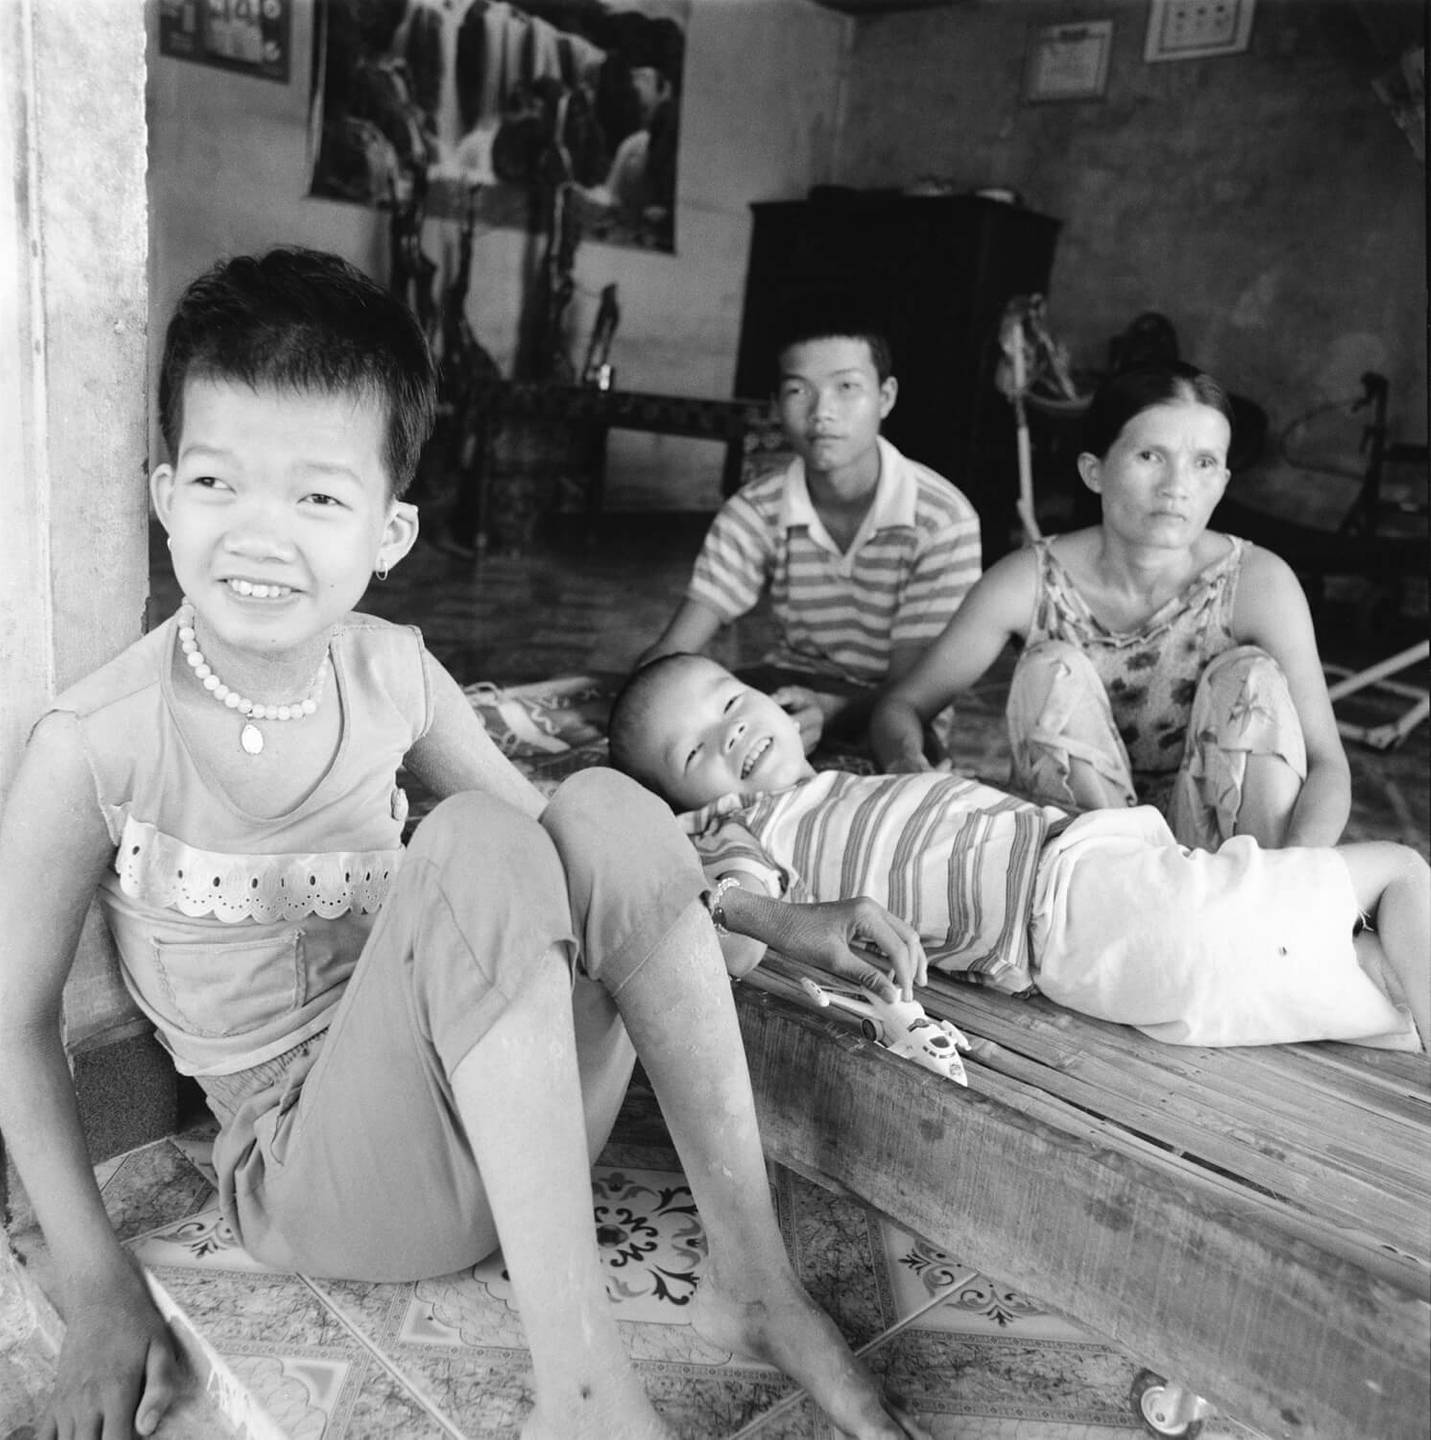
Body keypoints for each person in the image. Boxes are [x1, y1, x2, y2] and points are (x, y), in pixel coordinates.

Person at [0, 249, 930, 1440]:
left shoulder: (396, 671)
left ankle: (757, 1284)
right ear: (163, 490)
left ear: (390, 532)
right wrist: (96, 1285)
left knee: (601, 807)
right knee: (482, 843)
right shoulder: (96, 743)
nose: (260, 537)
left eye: (319, 498)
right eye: (220, 483)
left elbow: (580, 860)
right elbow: (16, 1014)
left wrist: (767, 912)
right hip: (317, 1181)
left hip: (515, 1136)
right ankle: (582, 1398)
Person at [608, 653, 1428, 1053]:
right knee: (1398, 870)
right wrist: (726, 892)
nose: (733, 731)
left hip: (1109, 970)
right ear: (686, 802)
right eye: (696, 750)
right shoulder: (740, 828)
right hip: (1082, 890)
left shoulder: (830, 787)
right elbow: (733, 939)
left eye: (730, 701)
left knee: (1391, 997)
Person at [870, 362, 1350, 851]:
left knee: (1253, 677)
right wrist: (906, 763)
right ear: (1093, 471)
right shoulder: (1031, 580)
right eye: (1149, 455)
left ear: (1223, 481)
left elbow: (1327, 763)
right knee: (1049, 669)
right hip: (1087, 855)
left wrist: (1297, 872)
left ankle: (1256, 902)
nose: (1176, 486)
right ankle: (1123, 891)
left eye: (1203, 463)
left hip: (1226, 860)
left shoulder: (1259, 583)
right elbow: (903, 705)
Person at [639, 308, 982, 747]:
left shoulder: (942, 518)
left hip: (899, 714)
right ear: (777, 403)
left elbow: (913, 689)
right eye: (799, 390)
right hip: (789, 693)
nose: (822, 412)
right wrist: (643, 711)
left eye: (847, 387)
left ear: (886, 396)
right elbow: (677, 648)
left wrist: (832, 713)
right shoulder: (756, 510)